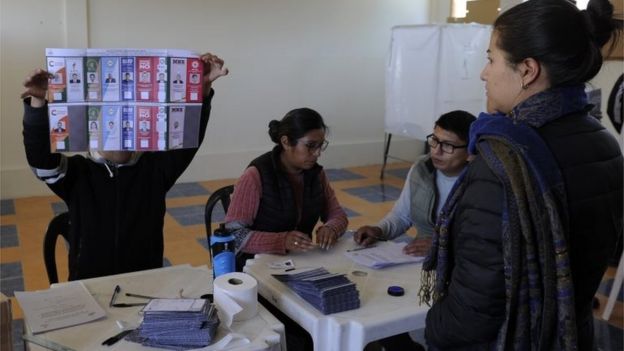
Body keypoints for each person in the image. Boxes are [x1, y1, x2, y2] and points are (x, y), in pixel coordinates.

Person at [421, 1, 623, 350]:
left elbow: (474, 309)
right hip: (570, 335)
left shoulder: (503, 162)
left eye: (491, 59)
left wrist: (434, 328)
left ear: (527, 70)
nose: (484, 73)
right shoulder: (605, 144)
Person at [21, 52, 229, 280]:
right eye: (109, 118)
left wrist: (203, 88)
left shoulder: (154, 170)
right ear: (92, 127)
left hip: (145, 283)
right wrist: (38, 103)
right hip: (90, 285)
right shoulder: (77, 174)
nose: (118, 127)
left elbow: (189, 139)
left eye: (127, 117)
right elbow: (41, 162)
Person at [225, 108, 348, 266]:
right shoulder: (256, 175)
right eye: (310, 146)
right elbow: (234, 235)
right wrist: (282, 241)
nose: (317, 153)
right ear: (286, 142)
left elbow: (337, 214)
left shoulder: (316, 174)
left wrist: (332, 228)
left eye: (321, 145)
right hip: (256, 266)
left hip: (297, 262)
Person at [354, 110, 476, 253]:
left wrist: (443, 247)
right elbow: (402, 216)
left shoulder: (482, 183)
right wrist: (379, 230)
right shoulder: (422, 169)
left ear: (470, 151)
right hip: (419, 259)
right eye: (435, 140)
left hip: (461, 265)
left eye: (448, 145)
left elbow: (486, 242)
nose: (436, 151)